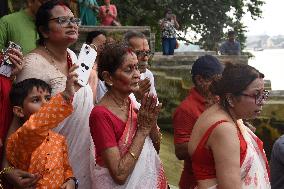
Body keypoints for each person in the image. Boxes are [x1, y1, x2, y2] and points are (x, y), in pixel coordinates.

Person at [15, 1, 95, 188]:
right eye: (62, 20)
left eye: (73, 19)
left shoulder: (75, 58)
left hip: (82, 155)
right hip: (47, 163)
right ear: (44, 31)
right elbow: (22, 123)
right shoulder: (32, 66)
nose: (72, 24)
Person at [89, 43, 168, 188]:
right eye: (128, 69)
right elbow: (119, 175)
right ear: (108, 77)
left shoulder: (133, 103)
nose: (137, 74)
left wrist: (151, 120)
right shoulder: (100, 114)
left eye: (136, 67)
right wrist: (143, 130)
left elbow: (155, 149)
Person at [188, 63, 271, 188]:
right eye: (256, 95)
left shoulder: (218, 112)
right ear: (230, 99)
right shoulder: (224, 129)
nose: (262, 102)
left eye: (263, 94)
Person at [6, 65, 80, 188]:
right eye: (36, 100)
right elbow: (33, 128)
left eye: (47, 98)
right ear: (19, 111)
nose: (46, 103)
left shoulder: (59, 139)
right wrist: (65, 96)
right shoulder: (19, 140)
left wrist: (71, 180)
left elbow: (66, 168)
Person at [173, 55, 224, 189]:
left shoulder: (219, 99)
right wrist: (213, 139)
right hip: (195, 182)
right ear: (200, 80)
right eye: (215, 81)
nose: (220, 86)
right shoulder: (186, 109)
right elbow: (180, 151)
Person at [123, 30, 157, 101]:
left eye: (147, 52)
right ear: (125, 52)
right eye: (139, 53)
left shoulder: (148, 75)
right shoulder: (115, 76)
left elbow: (153, 105)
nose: (145, 58)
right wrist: (134, 97)